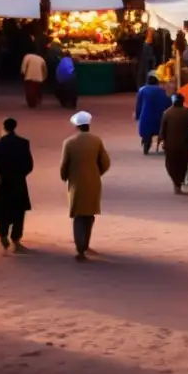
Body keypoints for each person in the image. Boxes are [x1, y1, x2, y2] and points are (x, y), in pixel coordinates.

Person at [60, 110, 110, 261]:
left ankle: (80, 247)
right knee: (89, 215)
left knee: (78, 216)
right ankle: (86, 243)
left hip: (76, 183)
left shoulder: (69, 142)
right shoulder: (96, 140)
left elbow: (64, 166)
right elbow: (105, 163)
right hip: (93, 182)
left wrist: (65, 177)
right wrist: (96, 173)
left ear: (76, 126)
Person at [0, 118, 34, 252]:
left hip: (3, 181)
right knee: (19, 210)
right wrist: (21, 175)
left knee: (3, 209)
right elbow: (29, 165)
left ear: (4, 127)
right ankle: (16, 239)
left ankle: (2, 233)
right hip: (18, 181)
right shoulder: (24, 143)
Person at [159, 93, 188, 194]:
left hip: (170, 145)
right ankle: (178, 183)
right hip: (185, 145)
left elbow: (162, 131)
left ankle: (176, 183)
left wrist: (162, 142)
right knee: (182, 164)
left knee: (171, 165)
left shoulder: (166, 113)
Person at [135, 74, 170, 154]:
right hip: (159, 117)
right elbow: (167, 103)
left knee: (146, 131)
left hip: (146, 116)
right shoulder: (162, 91)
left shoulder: (142, 90)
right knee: (163, 129)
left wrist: (137, 116)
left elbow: (139, 105)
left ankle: (146, 143)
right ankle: (164, 143)